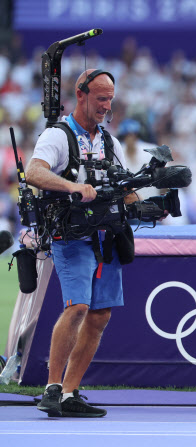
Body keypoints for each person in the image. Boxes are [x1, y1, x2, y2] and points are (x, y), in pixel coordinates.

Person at [25, 69, 134, 418]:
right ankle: (52, 389)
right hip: (70, 234)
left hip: (106, 235)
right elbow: (34, 172)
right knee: (78, 308)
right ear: (81, 94)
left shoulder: (109, 141)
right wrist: (72, 186)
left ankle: (71, 392)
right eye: (101, 98)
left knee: (99, 315)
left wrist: (147, 200)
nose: (106, 105)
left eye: (110, 99)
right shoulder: (58, 135)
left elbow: (125, 187)